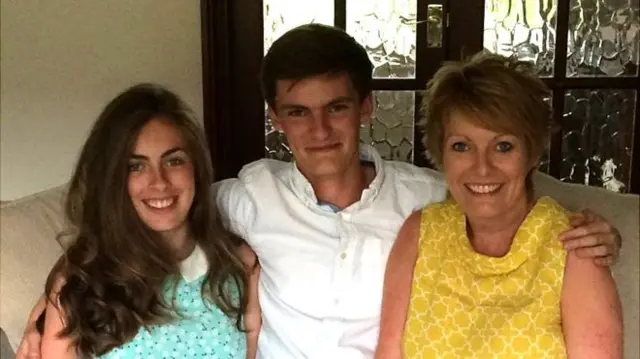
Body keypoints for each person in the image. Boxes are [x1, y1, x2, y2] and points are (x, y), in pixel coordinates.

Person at [17, 25, 621, 359]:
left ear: (365, 107)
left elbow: (497, 190)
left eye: (336, 107)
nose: (320, 129)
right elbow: (158, 207)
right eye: (298, 112)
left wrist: (597, 230)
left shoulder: (426, 202)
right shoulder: (250, 195)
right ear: (276, 118)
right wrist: (58, 294)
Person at [375, 53, 623, 358]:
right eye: (461, 146)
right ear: (441, 154)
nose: (482, 168)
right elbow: (388, 352)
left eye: (503, 146)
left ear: (532, 153)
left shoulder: (575, 247)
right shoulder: (420, 231)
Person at [35, 84, 261, 359]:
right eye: (135, 166)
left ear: (196, 169)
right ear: (112, 180)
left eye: (174, 161)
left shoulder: (239, 265)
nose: (159, 182)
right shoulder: (80, 282)